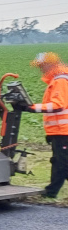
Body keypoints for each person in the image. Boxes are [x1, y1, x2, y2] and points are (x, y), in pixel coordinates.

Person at [30, 52, 68, 199]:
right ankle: (51, 192)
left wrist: (32, 108)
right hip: (59, 131)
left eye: (42, 66)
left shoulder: (60, 81)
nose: (41, 70)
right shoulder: (58, 80)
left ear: (50, 65)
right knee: (61, 161)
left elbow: (58, 106)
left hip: (63, 131)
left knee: (61, 163)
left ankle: (51, 192)